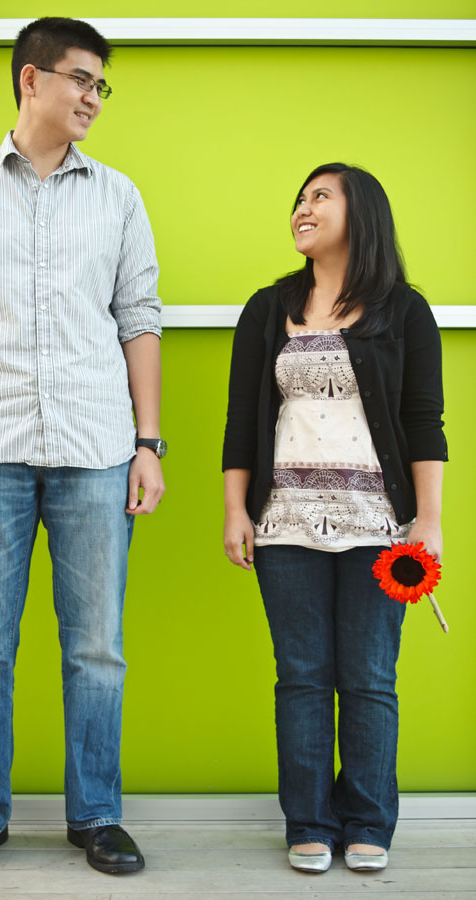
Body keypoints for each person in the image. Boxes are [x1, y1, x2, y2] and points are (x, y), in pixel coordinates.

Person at [0, 16, 166, 880]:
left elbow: (139, 322)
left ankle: (95, 814)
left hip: (97, 448)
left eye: (102, 85)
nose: (93, 97)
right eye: (81, 79)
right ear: (31, 80)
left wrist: (148, 443)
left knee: (95, 644)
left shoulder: (119, 196)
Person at [223, 163, 446, 874]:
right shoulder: (267, 308)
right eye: (298, 198)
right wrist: (236, 508)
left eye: (320, 196)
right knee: (301, 677)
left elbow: (422, 421)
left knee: (369, 678)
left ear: (362, 213)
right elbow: (240, 421)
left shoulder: (403, 311)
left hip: (378, 529)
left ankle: (368, 822)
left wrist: (428, 520)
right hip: (284, 524)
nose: (301, 207)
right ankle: (310, 821)